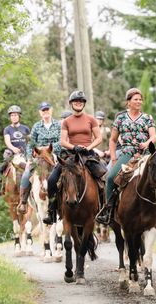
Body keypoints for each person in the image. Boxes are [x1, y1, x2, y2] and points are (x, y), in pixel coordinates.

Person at [96, 88, 156, 225]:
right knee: (110, 177)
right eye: (136, 99)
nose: (139, 101)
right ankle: (108, 210)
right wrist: (113, 158)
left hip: (145, 154)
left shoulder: (147, 118)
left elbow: (154, 136)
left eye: (140, 99)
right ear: (128, 102)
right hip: (127, 154)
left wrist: (147, 143)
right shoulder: (120, 118)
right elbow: (112, 140)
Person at [44, 90, 102, 224]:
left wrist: (88, 148)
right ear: (71, 104)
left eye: (81, 101)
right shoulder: (66, 121)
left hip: (88, 154)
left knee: (104, 177)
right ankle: (52, 211)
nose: (78, 103)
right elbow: (63, 141)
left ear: (84, 104)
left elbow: (98, 138)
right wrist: (73, 147)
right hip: (70, 154)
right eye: (76, 101)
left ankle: (103, 209)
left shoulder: (91, 119)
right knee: (52, 179)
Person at [17, 102, 62, 214]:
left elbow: (62, 141)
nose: (45, 112)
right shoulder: (36, 126)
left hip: (54, 154)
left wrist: (49, 149)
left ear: (51, 111)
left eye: (47, 110)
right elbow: (30, 144)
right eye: (43, 110)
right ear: (40, 113)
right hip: (39, 156)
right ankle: (23, 202)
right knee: (27, 173)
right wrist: (29, 159)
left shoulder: (58, 125)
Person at [0, 105, 30, 196]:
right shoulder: (7, 129)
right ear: (10, 117)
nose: (14, 117)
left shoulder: (25, 128)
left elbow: (29, 142)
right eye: (12, 115)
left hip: (24, 155)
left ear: (19, 116)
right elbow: (7, 142)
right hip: (12, 155)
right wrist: (13, 149)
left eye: (16, 115)